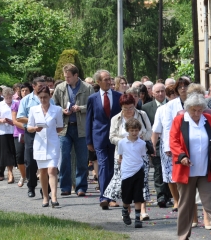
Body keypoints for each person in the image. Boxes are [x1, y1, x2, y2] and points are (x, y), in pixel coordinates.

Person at [169, 94, 211, 240]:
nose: (196, 113)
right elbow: (173, 141)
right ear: (187, 109)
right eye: (194, 110)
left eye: (199, 110)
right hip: (186, 169)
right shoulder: (180, 120)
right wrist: (182, 156)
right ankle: (183, 235)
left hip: (206, 169)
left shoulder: (207, 119)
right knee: (186, 203)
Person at [104, 94, 153, 219]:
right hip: (122, 157)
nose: (129, 111)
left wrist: (141, 137)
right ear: (121, 107)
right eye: (125, 108)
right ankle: (127, 208)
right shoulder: (116, 118)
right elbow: (111, 137)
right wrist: (125, 140)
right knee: (125, 184)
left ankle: (142, 211)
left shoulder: (142, 114)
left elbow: (149, 132)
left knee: (142, 183)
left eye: (131, 107)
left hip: (140, 156)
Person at [151, 78, 190, 212]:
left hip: (190, 143)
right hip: (170, 144)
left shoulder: (195, 103)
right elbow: (163, 128)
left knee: (188, 174)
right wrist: (165, 146)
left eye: (186, 86)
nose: (183, 89)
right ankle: (177, 200)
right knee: (170, 175)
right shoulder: (167, 107)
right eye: (180, 87)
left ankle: (187, 200)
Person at [52, 64, 92, 196]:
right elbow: (54, 104)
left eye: (69, 77)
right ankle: (65, 187)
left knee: (82, 158)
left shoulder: (88, 88)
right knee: (64, 158)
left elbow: (93, 106)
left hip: (81, 128)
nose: (66, 79)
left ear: (76, 75)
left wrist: (80, 108)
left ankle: (81, 187)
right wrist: (61, 110)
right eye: (65, 77)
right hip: (65, 128)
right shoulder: (60, 87)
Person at [86, 70, 122, 210]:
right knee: (103, 165)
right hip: (99, 138)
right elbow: (89, 120)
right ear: (98, 82)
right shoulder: (92, 98)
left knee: (113, 166)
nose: (109, 82)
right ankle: (104, 197)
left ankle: (111, 196)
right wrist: (89, 141)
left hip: (115, 137)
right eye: (106, 79)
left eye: (110, 79)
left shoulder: (118, 96)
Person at [27, 85, 64, 208]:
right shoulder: (33, 110)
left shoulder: (57, 110)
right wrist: (35, 129)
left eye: (46, 97)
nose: (43, 100)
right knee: (42, 171)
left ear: (50, 96)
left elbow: (60, 126)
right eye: (41, 97)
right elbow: (29, 127)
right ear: (38, 97)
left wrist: (51, 131)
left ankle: (54, 196)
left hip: (53, 143)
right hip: (40, 144)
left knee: (52, 169)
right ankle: (45, 196)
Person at [16, 77, 49, 198]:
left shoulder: (49, 98)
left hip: (46, 132)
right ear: (33, 86)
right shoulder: (26, 100)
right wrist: (35, 119)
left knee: (46, 161)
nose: (42, 88)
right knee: (30, 161)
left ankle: (46, 190)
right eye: (39, 86)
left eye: (44, 85)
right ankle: (31, 186)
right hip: (31, 132)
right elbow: (20, 117)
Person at [142, 83, 170, 208]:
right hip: (155, 143)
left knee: (169, 170)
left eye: (162, 91)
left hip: (169, 143)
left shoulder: (172, 105)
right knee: (158, 170)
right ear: (152, 93)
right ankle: (161, 196)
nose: (160, 94)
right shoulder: (147, 108)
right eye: (157, 92)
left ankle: (170, 194)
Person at [117, 118, 148, 228]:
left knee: (138, 195)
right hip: (127, 172)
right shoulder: (122, 143)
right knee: (127, 196)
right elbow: (120, 156)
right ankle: (125, 210)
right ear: (127, 131)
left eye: (136, 130)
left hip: (138, 170)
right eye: (132, 130)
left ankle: (137, 218)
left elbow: (142, 156)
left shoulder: (142, 143)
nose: (134, 133)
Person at [0, 87, 17, 183]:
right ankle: (10, 173)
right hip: (4, 132)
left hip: (15, 131)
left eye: (10, 97)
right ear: (3, 96)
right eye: (7, 97)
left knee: (15, 152)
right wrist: (2, 120)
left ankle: (22, 172)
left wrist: (14, 121)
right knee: (6, 153)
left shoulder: (16, 104)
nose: (9, 99)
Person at [11, 83, 31, 187]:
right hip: (19, 134)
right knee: (19, 156)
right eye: (22, 91)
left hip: (32, 133)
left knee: (30, 157)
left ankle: (30, 176)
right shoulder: (16, 104)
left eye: (26, 90)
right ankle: (23, 175)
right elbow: (14, 121)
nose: (24, 92)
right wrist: (27, 128)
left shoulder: (34, 103)